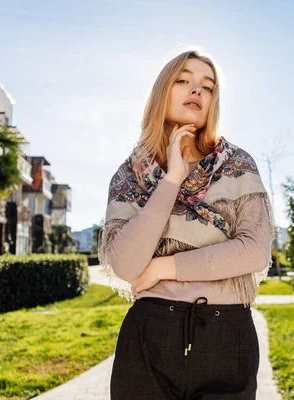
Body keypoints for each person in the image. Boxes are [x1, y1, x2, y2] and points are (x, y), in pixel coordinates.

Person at [98, 49, 276, 399]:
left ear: (214, 102)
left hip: (227, 335)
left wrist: (165, 267)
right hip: (150, 336)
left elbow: (254, 251)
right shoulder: (130, 175)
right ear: (162, 91)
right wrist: (172, 180)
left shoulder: (237, 165)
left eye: (207, 87)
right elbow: (126, 264)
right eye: (183, 80)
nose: (196, 90)